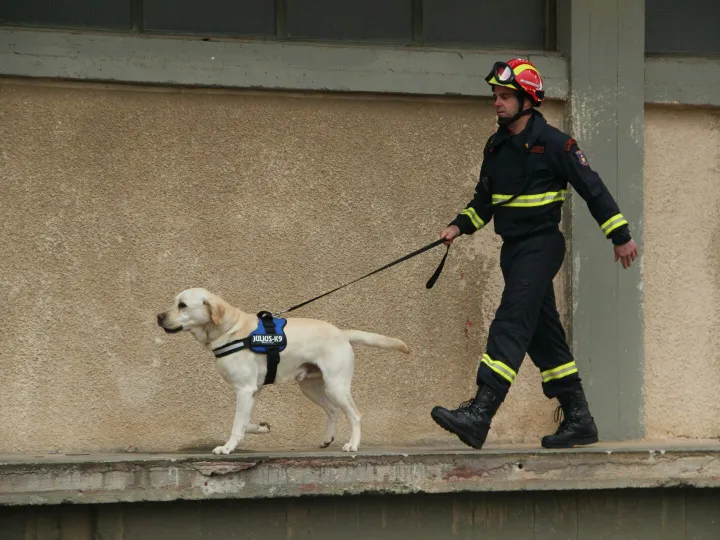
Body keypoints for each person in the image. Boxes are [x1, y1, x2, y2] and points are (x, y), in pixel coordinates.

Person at [430, 58, 638, 450]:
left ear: (528, 101)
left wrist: (620, 235)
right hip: (514, 252)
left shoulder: (556, 144)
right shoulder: (495, 147)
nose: (497, 102)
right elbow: (484, 201)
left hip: (541, 247)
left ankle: (480, 412)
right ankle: (579, 418)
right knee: (544, 337)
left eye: (505, 96)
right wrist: (459, 225)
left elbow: (592, 187)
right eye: (495, 95)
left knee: (511, 319)